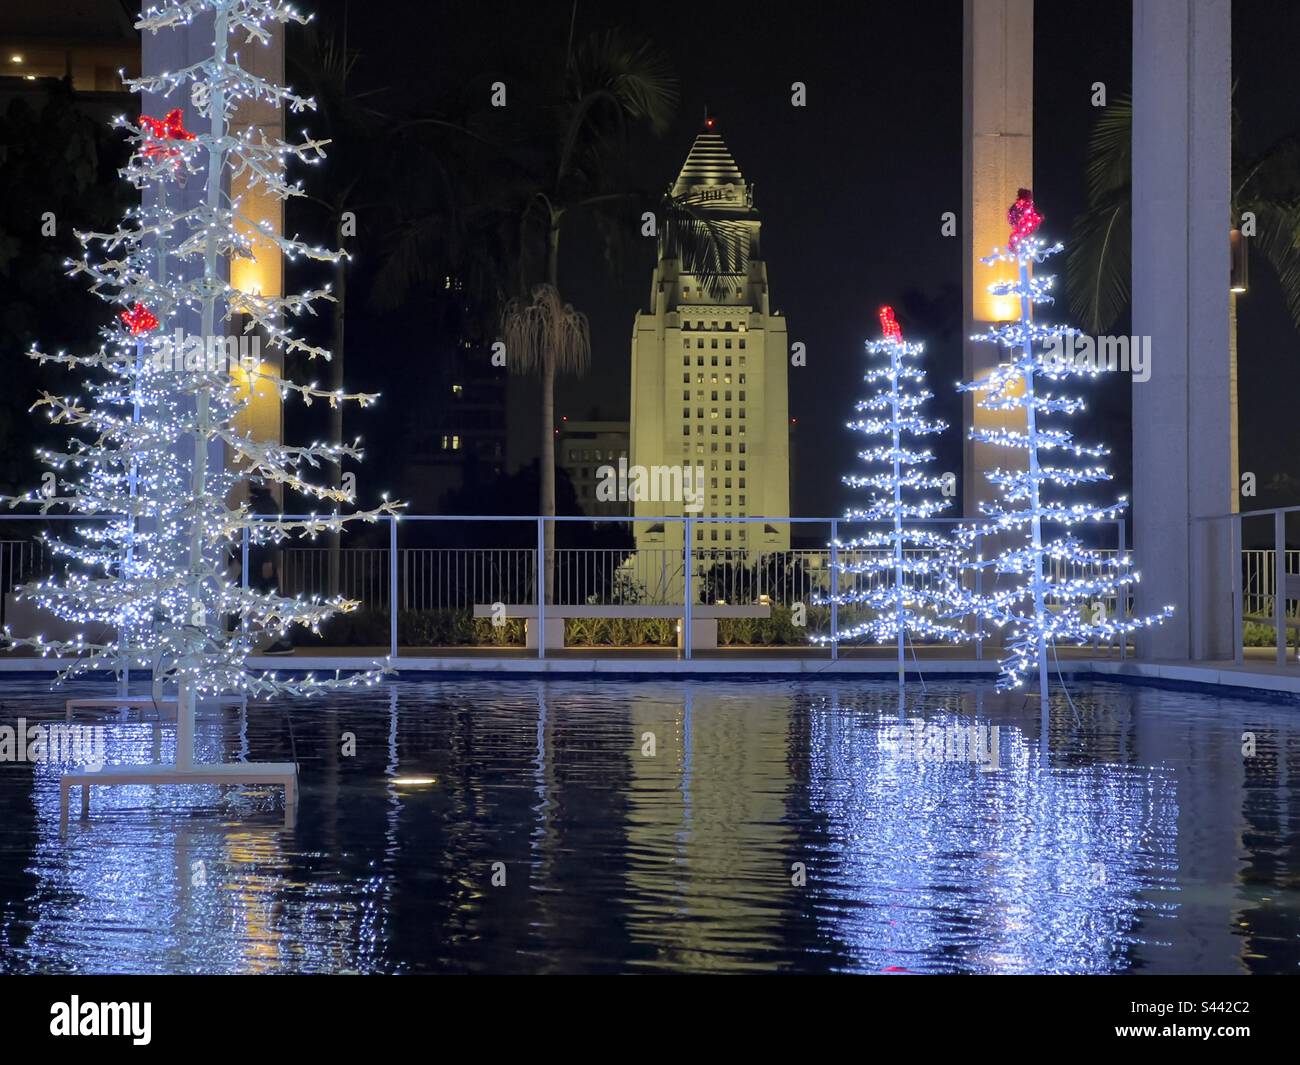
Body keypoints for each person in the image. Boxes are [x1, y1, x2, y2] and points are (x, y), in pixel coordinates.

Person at [246, 481, 295, 655]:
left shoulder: (264, 504)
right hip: (259, 560)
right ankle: (282, 639)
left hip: (260, 561)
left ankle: (283, 639)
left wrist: (268, 560)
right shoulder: (263, 503)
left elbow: (268, 533)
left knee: (269, 599)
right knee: (268, 599)